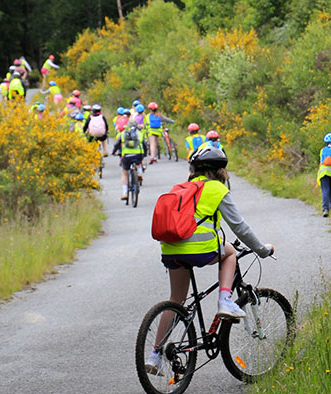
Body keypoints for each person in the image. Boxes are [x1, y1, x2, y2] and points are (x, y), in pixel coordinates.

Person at [145, 146, 275, 375]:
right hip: (201, 248)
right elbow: (240, 228)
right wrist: (262, 250)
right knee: (231, 253)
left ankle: (154, 356)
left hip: (170, 248)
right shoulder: (217, 188)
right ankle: (225, 300)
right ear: (220, 170)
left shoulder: (181, 188)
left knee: (177, 299)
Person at [112, 123, 148, 200]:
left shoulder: (122, 134)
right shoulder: (139, 133)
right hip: (138, 154)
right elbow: (145, 145)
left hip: (126, 155)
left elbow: (117, 145)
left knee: (125, 173)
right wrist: (144, 154)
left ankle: (125, 193)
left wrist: (114, 152)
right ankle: (139, 173)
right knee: (138, 163)